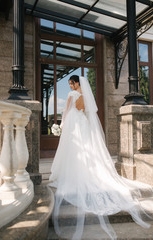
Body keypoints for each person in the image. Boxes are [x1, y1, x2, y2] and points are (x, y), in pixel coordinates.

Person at [49, 75, 153, 240]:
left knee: (74, 149)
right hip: (83, 123)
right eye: (69, 84)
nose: (70, 86)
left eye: (71, 83)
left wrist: (61, 125)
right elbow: (85, 112)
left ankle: (74, 172)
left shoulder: (72, 95)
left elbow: (68, 111)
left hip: (73, 124)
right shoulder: (86, 97)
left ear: (76, 83)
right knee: (85, 148)